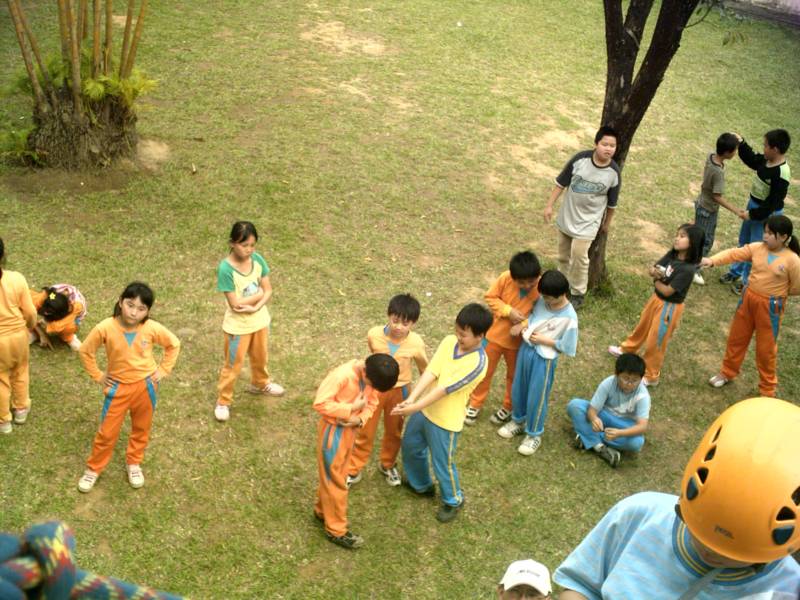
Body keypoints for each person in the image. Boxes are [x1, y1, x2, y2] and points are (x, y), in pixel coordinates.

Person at [554, 396, 800, 599]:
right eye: (701, 534)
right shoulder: (638, 515)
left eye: (737, 554)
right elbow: (580, 585)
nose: (713, 553)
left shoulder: (788, 589)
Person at [392, 303, 492, 523]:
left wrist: (413, 407)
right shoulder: (449, 342)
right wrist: (412, 399)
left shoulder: (478, 364)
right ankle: (421, 485)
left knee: (442, 463)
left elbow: (444, 390)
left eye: (463, 335)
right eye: (457, 331)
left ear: (480, 336)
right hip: (424, 409)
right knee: (411, 446)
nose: (458, 337)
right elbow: (432, 371)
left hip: (445, 422)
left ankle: (453, 499)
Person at [77, 282, 181, 492]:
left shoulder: (151, 328)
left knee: (141, 428)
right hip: (117, 389)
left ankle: (134, 463)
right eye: (130, 305)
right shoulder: (105, 327)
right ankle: (93, 469)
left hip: (146, 388)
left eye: (141, 308)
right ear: (120, 302)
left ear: (148, 311)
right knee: (106, 433)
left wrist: (163, 370)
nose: (134, 313)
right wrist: (98, 375)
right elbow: (85, 351)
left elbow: (173, 344)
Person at [703, 214, 800, 397]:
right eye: (765, 232)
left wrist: (776, 294)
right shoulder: (757, 248)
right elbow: (734, 253)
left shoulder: (792, 260)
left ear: (783, 237)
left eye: (770, 233)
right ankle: (727, 372)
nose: (765, 236)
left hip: (770, 308)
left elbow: (796, 287)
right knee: (736, 338)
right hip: (747, 300)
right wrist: (712, 260)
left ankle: (767, 388)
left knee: (766, 349)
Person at [313, 353, 399, 549]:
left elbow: (373, 402)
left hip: (349, 431)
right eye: (372, 386)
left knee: (337, 474)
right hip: (333, 434)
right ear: (366, 373)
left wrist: (359, 419)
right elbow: (320, 403)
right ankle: (336, 530)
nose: (373, 390)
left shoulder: (372, 377)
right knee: (336, 481)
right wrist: (351, 408)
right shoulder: (341, 376)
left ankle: (322, 510)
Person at [608, 224, 704, 387]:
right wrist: (654, 272)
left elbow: (667, 291)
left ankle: (651, 375)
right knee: (642, 326)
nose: (677, 238)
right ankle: (628, 349)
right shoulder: (672, 255)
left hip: (669, 308)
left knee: (656, 340)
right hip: (655, 300)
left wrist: (655, 279)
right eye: (677, 234)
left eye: (682, 236)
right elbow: (652, 268)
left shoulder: (687, 270)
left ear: (693, 242)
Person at [347, 294, 427, 488]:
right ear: (388, 315)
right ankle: (353, 469)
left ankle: (387, 464)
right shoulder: (374, 334)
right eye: (395, 320)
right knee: (365, 428)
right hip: (375, 389)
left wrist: (417, 396)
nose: (399, 327)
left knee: (394, 431)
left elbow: (425, 369)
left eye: (405, 323)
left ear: (413, 323)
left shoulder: (416, 343)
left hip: (400, 392)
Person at [497, 270, 578, 456]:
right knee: (519, 387)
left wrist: (544, 340)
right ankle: (518, 420)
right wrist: (522, 325)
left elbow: (567, 346)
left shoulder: (570, 317)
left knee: (537, 396)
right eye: (544, 296)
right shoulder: (542, 301)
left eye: (549, 298)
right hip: (526, 350)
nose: (545, 300)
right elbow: (532, 318)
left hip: (544, 359)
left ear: (562, 294)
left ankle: (534, 434)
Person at [543, 126, 621, 309]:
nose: (608, 149)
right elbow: (561, 183)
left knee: (579, 256)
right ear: (596, 144)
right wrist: (549, 206)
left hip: (589, 222)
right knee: (563, 255)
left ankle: (578, 293)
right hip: (567, 216)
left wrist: (607, 223)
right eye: (605, 144)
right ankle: (561, 287)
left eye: (612, 146)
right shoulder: (580, 160)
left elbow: (612, 204)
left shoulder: (613, 172)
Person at [214, 221, 284, 423]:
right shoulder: (225, 269)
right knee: (233, 365)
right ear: (232, 243)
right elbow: (235, 304)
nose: (249, 249)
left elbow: (268, 290)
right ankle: (223, 401)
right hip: (238, 328)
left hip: (260, 321)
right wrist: (259, 295)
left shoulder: (257, 260)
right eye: (244, 245)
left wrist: (255, 306)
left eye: (252, 245)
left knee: (261, 357)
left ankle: (261, 383)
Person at [464, 251, 541, 426]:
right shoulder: (505, 278)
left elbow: (542, 315)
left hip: (518, 344)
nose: (527, 285)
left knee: (514, 377)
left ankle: (508, 406)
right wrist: (508, 311)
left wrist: (523, 324)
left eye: (531, 281)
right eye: (521, 282)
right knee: (484, 372)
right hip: (493, 337)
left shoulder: (542, 287)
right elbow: (490, 297)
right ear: (513, 277)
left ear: (538, 275)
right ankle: (475, 404)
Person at [719, 129, 791, 295]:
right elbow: (752, 159)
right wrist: (742, 143)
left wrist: (753, 215)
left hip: (766, 215)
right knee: (744, 242)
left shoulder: (782, 173)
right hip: (753, 207)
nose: (763, 148)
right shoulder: (767, 160)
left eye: (765, 146)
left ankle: (747, 282)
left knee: (756, 249)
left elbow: (772, 203)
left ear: (775, 149)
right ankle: (735, 272)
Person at [566, 353, 649, 468]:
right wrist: (594, 418)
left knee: (637, 443)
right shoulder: (608, 383)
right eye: (625, 378)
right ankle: (599, 447)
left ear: (641, 379)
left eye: (635, 380)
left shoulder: (643, 395)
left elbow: (642, 427)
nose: (629, 384)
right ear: (616, 374)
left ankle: (587, 438)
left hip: (623, 426)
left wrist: (620, 433)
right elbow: (592, 410)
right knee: (574, 405)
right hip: (604, 416)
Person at [692, 133, 744, 285]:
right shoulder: (718, 173)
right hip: (707, 210)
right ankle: (694, 269)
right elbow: (717, 196)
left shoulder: (711, 156)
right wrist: (736, 210)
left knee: (699, 236)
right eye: (734, 150)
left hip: (701, 203)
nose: (735, 153)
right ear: (727, 152)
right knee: (706, 241)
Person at [0, 238, 37, 433]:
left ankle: (3, 421)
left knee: (1, 379)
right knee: (21, 370)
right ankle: (21, 409)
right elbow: (30, 312)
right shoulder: (16, 279)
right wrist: (30, 327)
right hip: (19, 336)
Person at [28, 283, 87, 351]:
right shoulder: (51, 295)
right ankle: (34, 331)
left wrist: (47, 326)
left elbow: (57, 327)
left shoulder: (76, 307)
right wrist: (41, 333)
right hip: (57, 310)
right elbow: (30, 312)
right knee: (31, 303)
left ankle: (69, 338)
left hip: (73, 317)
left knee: (67, 327)